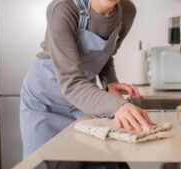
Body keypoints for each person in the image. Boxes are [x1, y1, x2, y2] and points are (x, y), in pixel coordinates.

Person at [20, 0, 154, 158]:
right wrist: (117, 105)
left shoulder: (126, 11)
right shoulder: (62, 8)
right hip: (44, 105)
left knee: (87, 159)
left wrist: (109, 83)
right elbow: (71, 83)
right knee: (43, 162)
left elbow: (106, 55)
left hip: (83, 102)